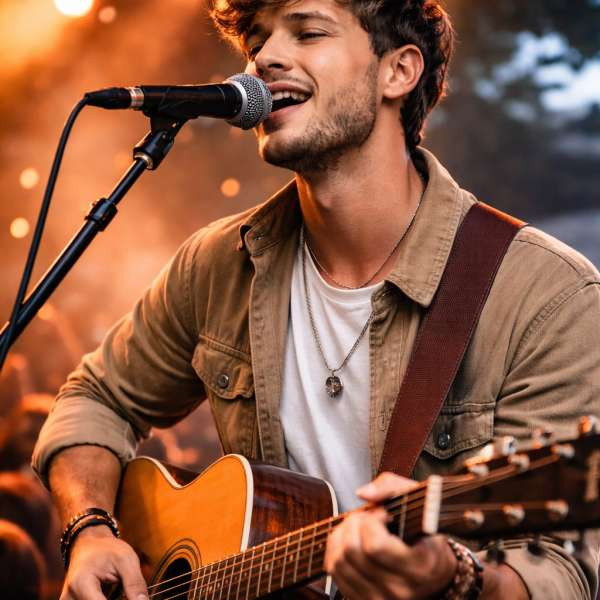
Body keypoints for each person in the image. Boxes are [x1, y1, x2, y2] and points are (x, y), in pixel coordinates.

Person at [32, 0, 600, 599]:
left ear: (398, 71)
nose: (264, 59)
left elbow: (560, 574)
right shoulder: (215, 264)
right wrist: (89, 528)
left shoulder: (548, 296)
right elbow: (94, 399)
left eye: (307, 32)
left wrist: (453, 576)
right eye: (257, 42)